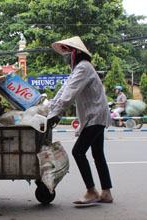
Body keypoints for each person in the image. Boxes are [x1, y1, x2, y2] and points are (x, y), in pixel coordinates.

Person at [46, 36, 113, 205]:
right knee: (98, 153)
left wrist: (54, 113)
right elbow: (64, 90)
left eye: (69, 53)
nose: (67, 57)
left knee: (78, 152)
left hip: (95, 115)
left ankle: (91, 191)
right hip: (96, 115)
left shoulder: (83, 68)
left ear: (76, 54)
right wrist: (50, 109)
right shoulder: (78, 70)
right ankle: (106, 193)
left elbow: (69, 94)